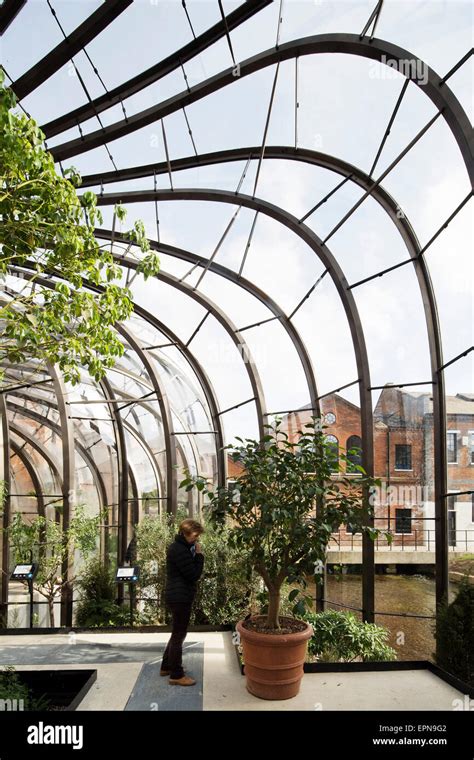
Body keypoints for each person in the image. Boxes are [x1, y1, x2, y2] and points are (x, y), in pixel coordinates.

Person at [160, 518, 204, 686]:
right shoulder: (180, 550)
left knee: (176, 632)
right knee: (179, 635)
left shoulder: (180, 547)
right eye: (195, 535)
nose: (197, 539)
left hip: (177, 595)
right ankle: (176, 675)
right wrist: (199, 556)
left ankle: (166, 666)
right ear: (186, 533)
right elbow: (193, 575)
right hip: (180, 597)